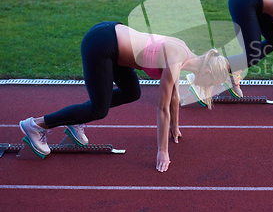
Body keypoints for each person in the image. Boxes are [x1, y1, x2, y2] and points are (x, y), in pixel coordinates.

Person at [19, 21, 229, 172]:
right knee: (98, 110)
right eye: (211, 84)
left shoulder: (184, 55)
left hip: (113, 42)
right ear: (207, 72)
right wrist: (162, 151)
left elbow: (174, 95)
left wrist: (175, 127)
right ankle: (37, 125)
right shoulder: (176, 59)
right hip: (102, 45)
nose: (207, 88)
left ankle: (75, 121)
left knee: (132, 92)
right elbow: (162, 107)